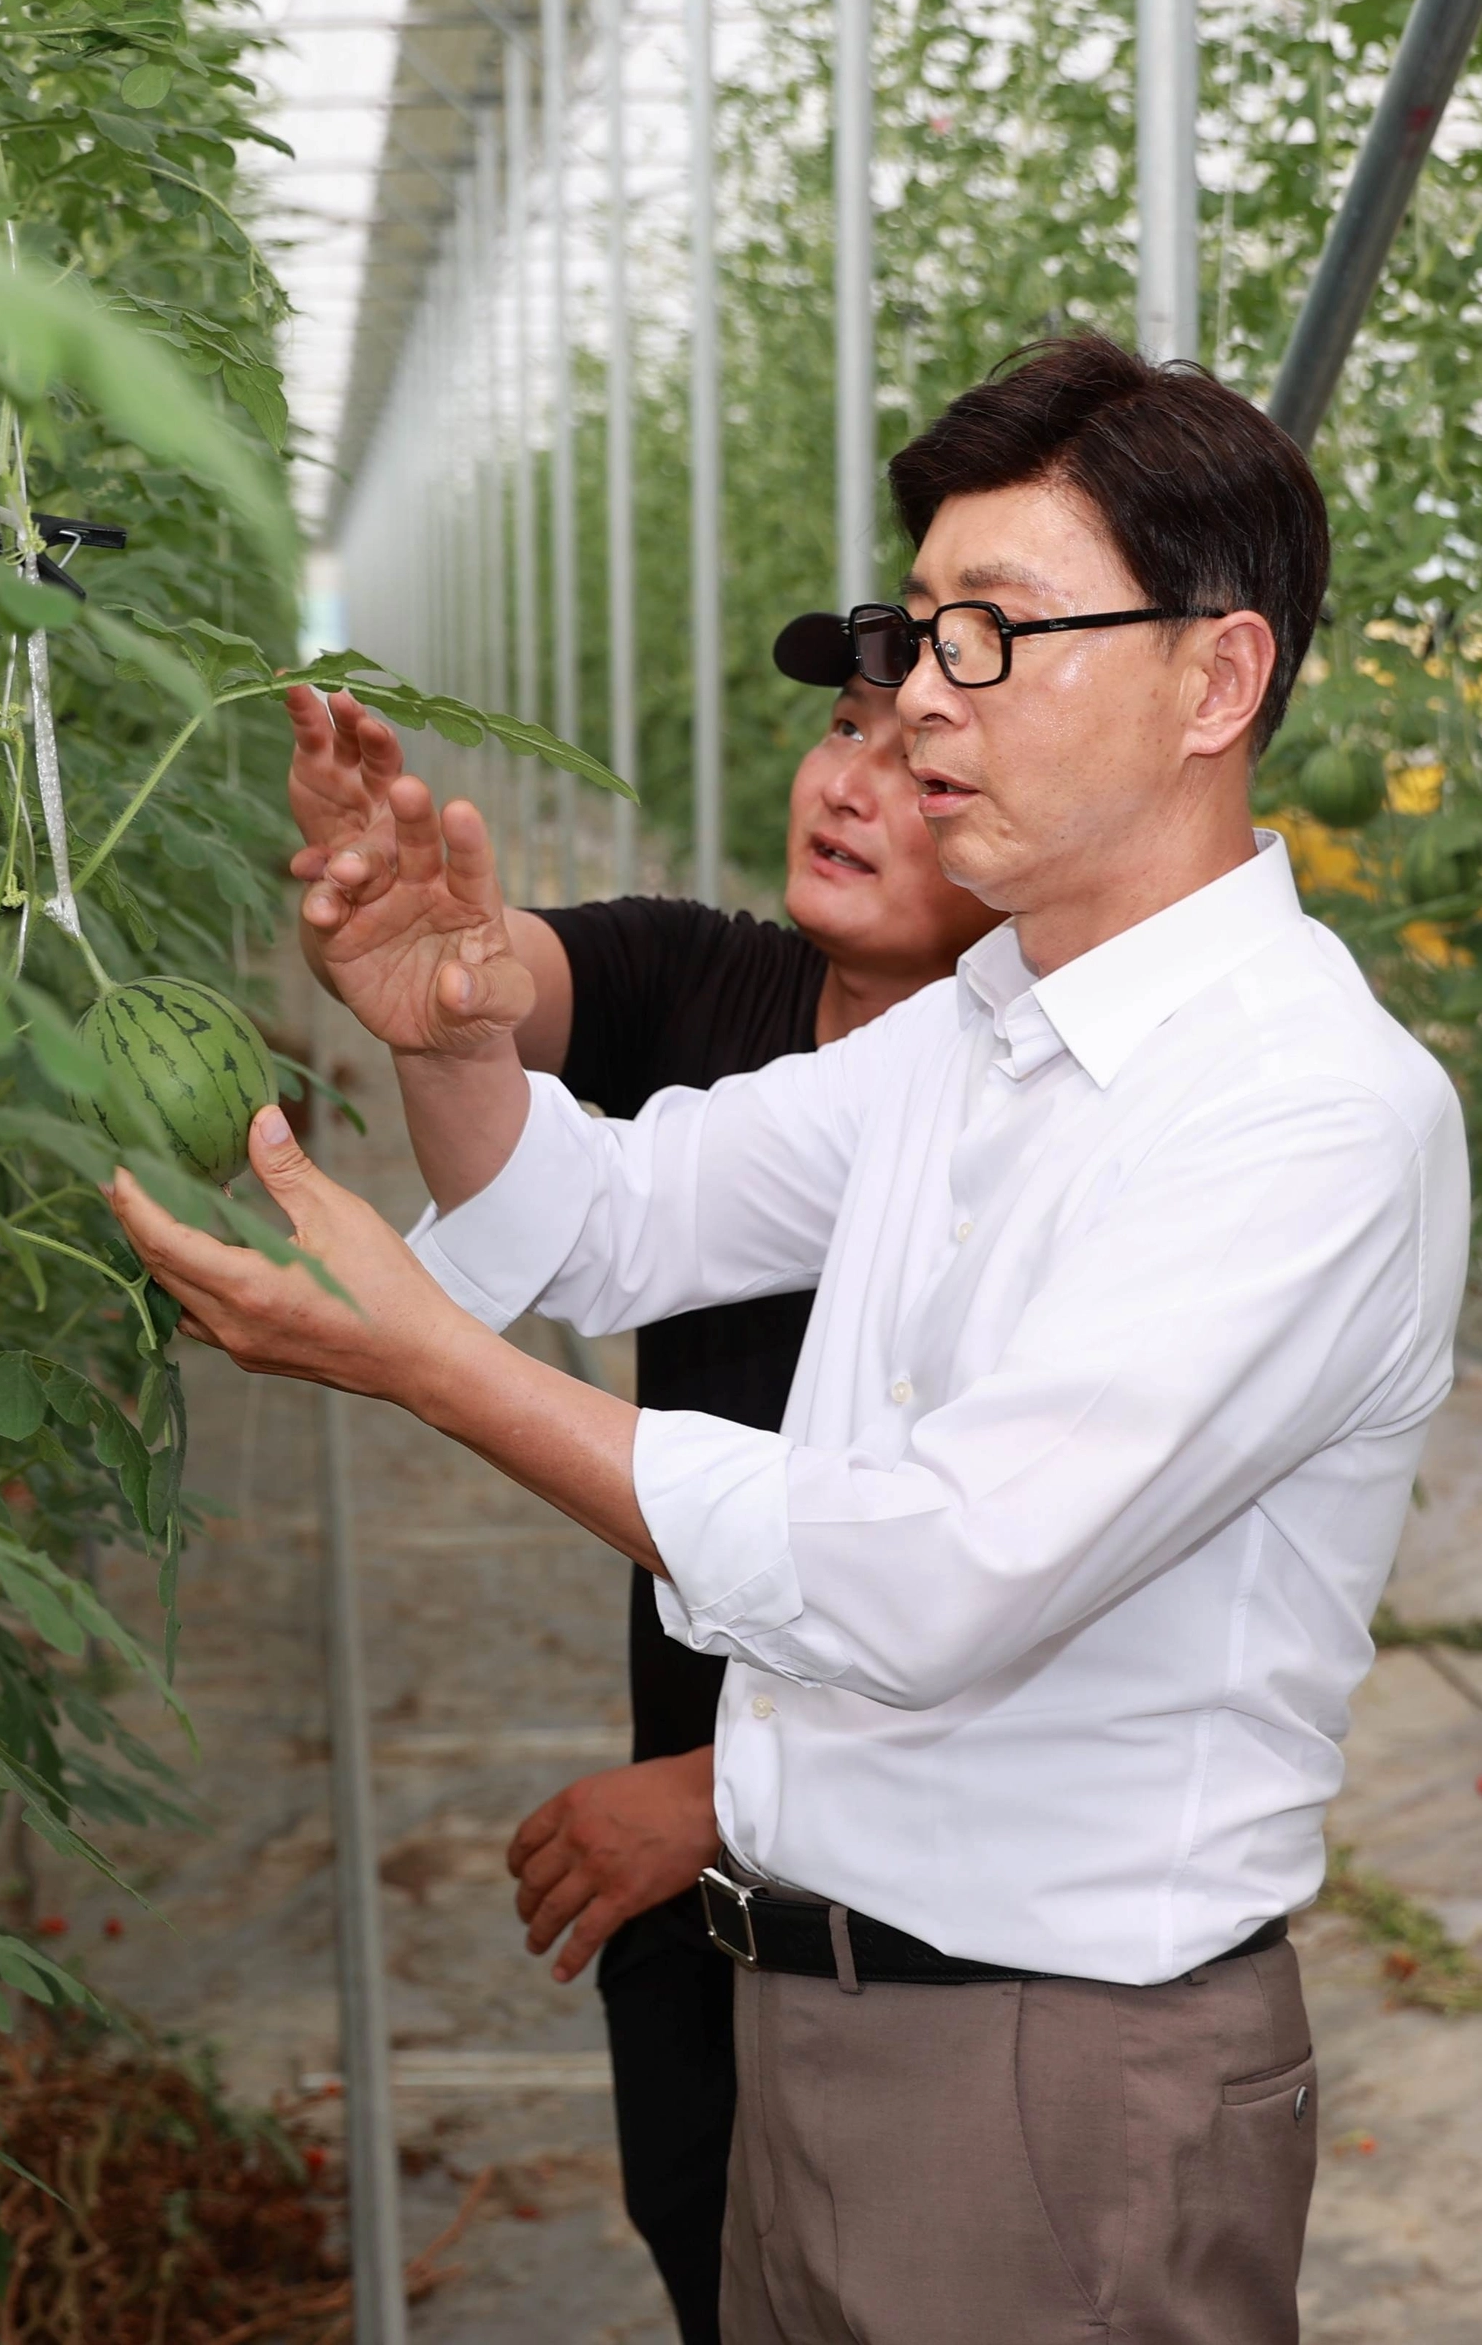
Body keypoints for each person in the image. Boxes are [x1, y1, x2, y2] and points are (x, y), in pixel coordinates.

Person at [116, 334, 1465, 2343]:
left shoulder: (1300, 1112)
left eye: (990, 636)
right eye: (921, 635)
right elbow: (619, 1212)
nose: (918, 702)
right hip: (809, 2025)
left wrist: (426, 1366)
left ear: (1215, 678)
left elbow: (925, 1577)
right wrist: (456, 1020)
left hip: (1049, 2084)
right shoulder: (978, 1030)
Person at [276, 667, 999, 2345]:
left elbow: (999, 1577)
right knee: (710, 2236)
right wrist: (417, 934)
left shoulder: (1035, 1122)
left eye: (918, 755)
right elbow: (515, 1007)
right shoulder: (719, 979)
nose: (855, 780)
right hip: (698, 1856)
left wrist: (714, 1792)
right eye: (845, 730)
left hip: (904, 1890)